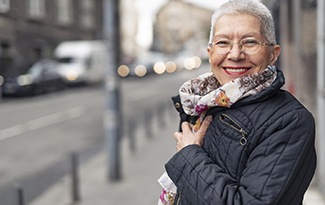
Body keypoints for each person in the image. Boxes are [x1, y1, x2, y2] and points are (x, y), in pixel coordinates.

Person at [157, 0, 317, 204]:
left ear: (273, 54)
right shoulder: (201, 102)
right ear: (210, 52)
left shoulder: (290, 121)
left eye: (250, 42)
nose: (234, 54)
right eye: (223, 43)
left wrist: (189, 156)